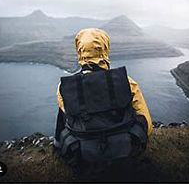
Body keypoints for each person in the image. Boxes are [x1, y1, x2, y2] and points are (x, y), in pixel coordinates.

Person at [54, 28, 152, 169]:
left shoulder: (64, 88)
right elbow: (147, 123)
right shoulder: (127, 82)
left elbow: (68, 117)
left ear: (80, 51)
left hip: (82, 158)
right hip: (126, 153)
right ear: (105, 49)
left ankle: (58, 146)